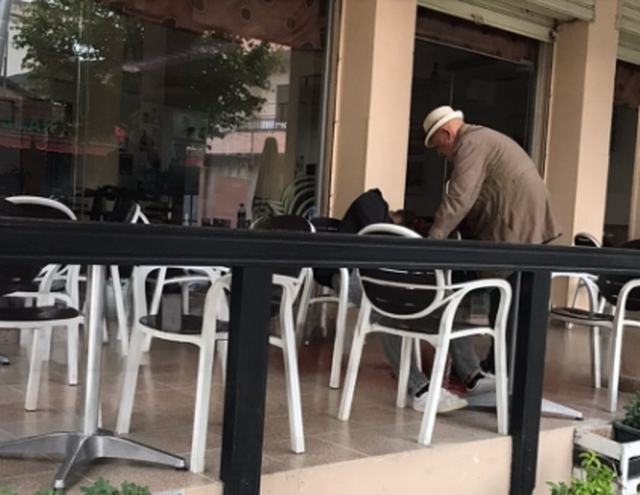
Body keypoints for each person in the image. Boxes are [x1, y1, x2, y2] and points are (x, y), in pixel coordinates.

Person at [422, 105, 562, 371]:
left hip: (518, 224)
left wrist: (432, 240)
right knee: (508, 299)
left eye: (438, 145)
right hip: (523, 223)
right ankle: (500, 365)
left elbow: (460, 196)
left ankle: (504, 369)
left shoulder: (470, 143)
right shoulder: (480, 138)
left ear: (448, 133)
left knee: (509, 300)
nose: (440, 153)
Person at [331, 190, 493, 414]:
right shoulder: (373, 200)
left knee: (449, 301)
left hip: (386, 276)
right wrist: (399, 235)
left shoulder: (385, 227)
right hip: (347, 275)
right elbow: (368, 209)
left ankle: (472, 375)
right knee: (385, 308)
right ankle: (418, 388)